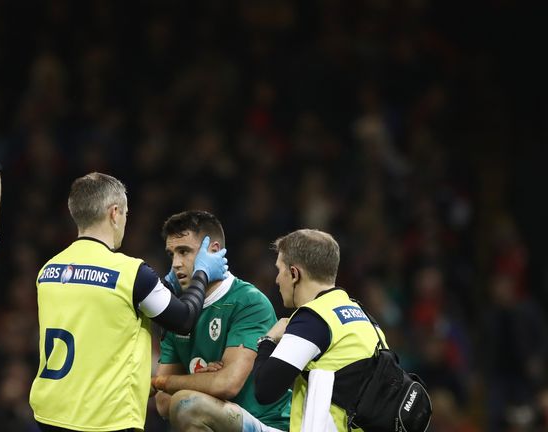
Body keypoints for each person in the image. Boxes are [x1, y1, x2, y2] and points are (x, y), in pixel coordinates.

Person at [29, 172, 229, 432]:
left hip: (48, 413)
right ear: (114, 213)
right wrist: (202, 272)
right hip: (103, 421)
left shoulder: (48, 270)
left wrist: (164, 285)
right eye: (125, 214)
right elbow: (184, 320)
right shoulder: (130, 273)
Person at [151, 210, 291, 432]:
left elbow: (227, 384)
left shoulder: (248, 301)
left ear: (213, 251)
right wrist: (202, 380)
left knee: (187, 404)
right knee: (184, 404)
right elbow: (162, 403)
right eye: (171, 255)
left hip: (267, 424)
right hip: (219, 421)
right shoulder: (177, 310)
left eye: (184, 251)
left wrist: (164, 383)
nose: (176, 264)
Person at [253, 229, 386, 431]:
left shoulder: (312, 319)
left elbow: (265, 390)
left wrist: (268, 340)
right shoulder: (363, 315)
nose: (277, 280)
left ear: (294, 273)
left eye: (280, 270)